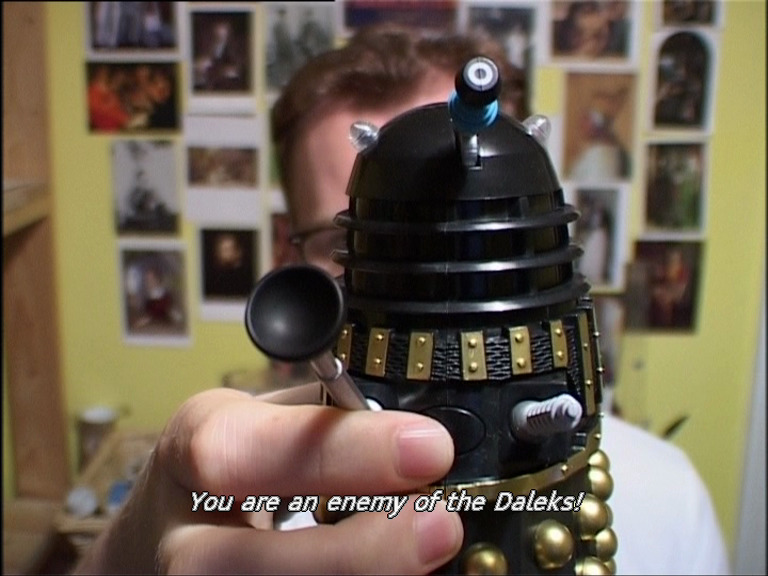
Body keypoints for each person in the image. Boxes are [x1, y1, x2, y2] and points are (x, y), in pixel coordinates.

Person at [74, 24, 729, 575]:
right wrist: (122, 559)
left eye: (472, 239)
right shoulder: (236, 513)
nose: (430, 287)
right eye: (364, 242)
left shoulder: (670, 502)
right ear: (289, 257)